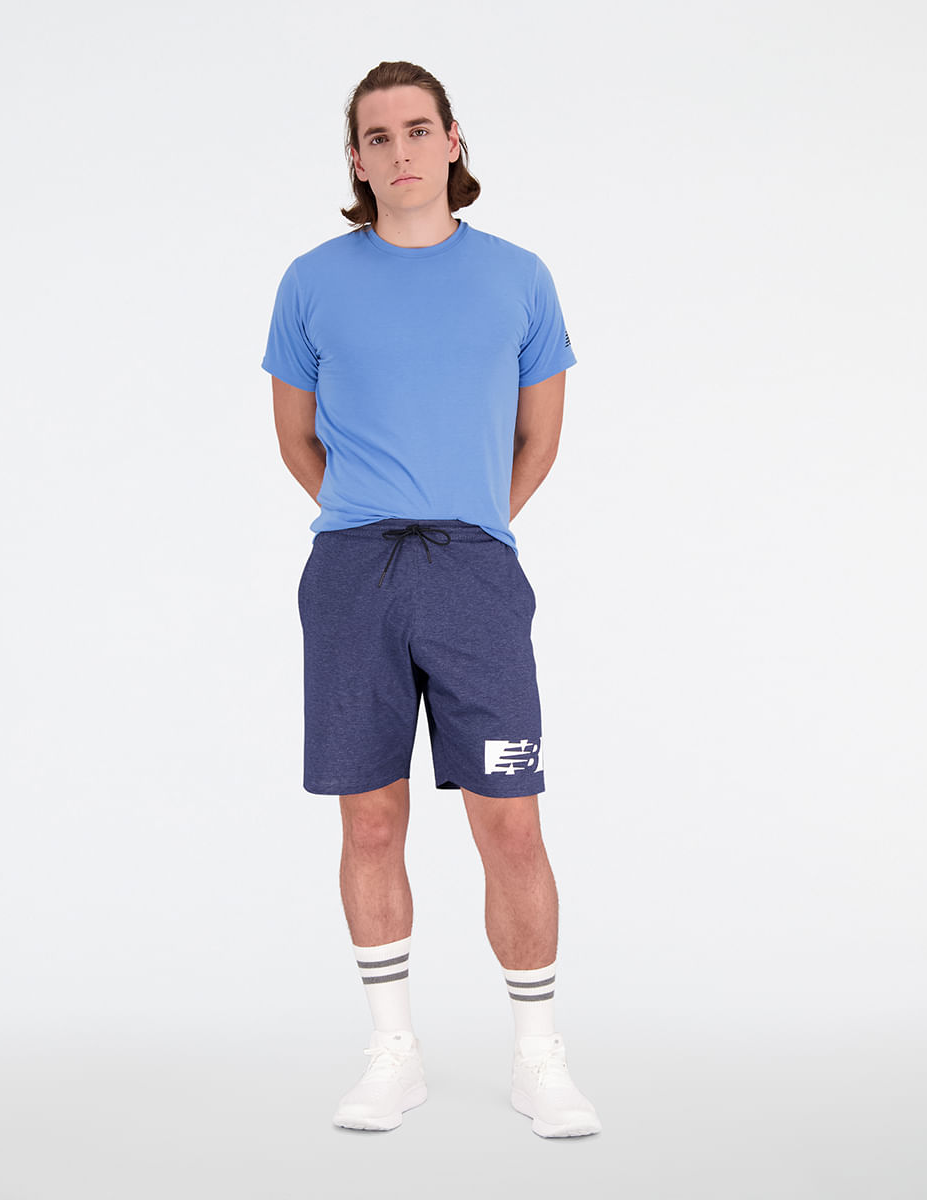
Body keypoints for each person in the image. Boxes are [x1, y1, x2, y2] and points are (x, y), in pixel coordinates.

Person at [261, 60, 600, 1139]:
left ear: (453, 140)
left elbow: (539, 439)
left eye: (417, 129)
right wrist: (373, 510)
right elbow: (296, 439)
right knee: (370, 817)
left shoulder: (519, 277)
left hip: (476, 577)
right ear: (356, 160)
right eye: (377, 137)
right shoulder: (312, 281)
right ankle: (391, 1052)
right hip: (351, 576)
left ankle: (539, 1058)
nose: (400, 151)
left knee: (511, 816)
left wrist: (465, 524)